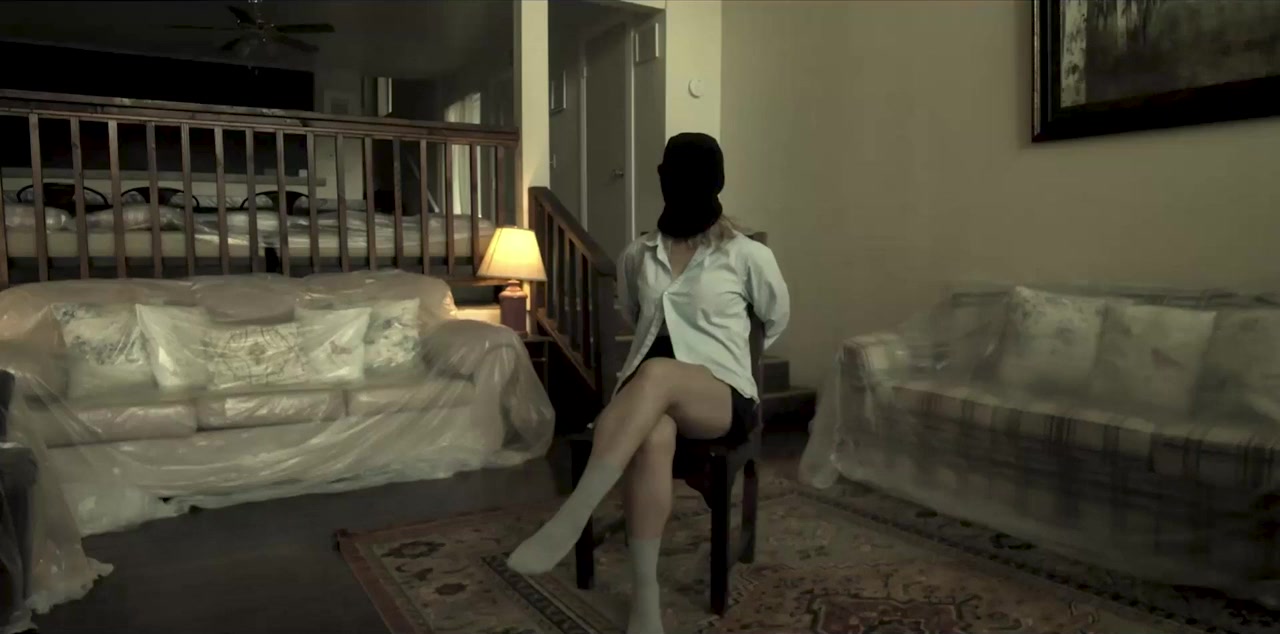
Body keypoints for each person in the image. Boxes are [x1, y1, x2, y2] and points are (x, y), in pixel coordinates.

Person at [507, 133, 790, 634]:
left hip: (720, 395)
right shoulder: (638, 254)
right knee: (654, 432)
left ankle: (573, 517)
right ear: (663, 180)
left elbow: (775, 318)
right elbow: (634, 314)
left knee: (656, 373)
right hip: (649, 397)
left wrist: (719, 356)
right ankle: (645, 597)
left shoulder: (747, 255)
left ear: (717, 182)